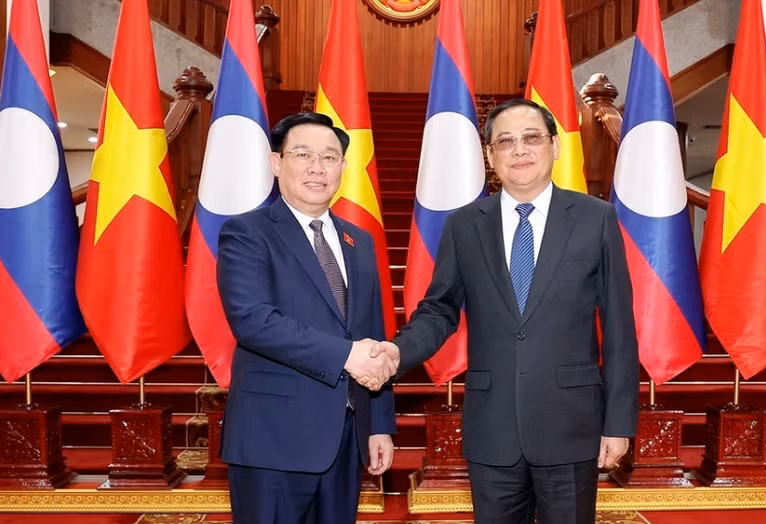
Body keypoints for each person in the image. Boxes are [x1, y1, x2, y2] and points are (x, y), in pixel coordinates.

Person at [375, 99, 639, 523]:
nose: (520, 150)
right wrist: (397, 352)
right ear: (489, 155)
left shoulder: (596, 218)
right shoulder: (464, 225)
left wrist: (619, 421)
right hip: (492, 428)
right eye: (506, 141)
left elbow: (620, 328)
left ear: (554, 146)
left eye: (532, 138)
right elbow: (439, 309)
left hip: (571, 426)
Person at [216, 112, 397, 524]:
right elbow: (254, 320)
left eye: (330, 157)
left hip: (346, 438)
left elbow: (373, 333)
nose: (318, 168)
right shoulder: (247, 232)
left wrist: (379, 424)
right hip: (272, 441)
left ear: (344, 168)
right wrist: (347, 355)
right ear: (277, 163)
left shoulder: (360, 240)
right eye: (303, 154)